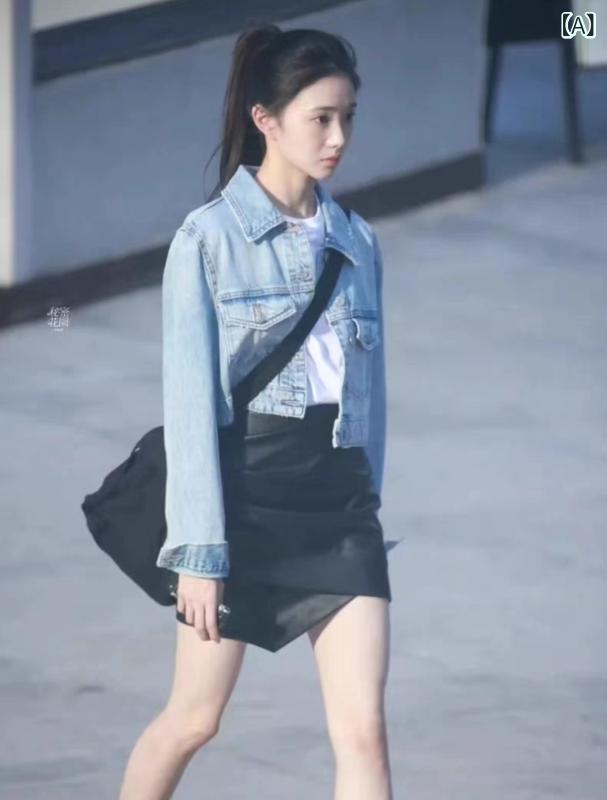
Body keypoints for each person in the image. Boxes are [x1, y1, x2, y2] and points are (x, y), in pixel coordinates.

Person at [119, 23, 398, 800]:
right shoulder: (207, 240)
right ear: (265, 119)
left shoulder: (357, 242)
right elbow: (190, 406)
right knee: (193, 720)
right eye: (320, 118)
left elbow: (369, 394)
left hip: (338, 510)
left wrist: (366, 502)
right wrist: (199, 554)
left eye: (347, 117)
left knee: (364, 734)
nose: (338, 138)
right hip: (244, 505)